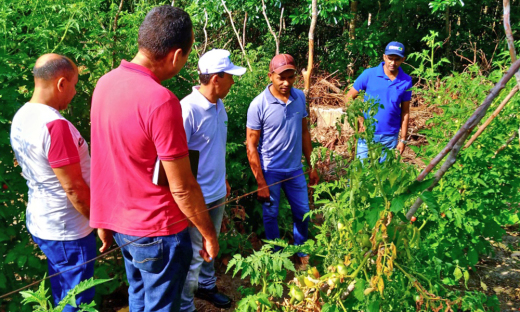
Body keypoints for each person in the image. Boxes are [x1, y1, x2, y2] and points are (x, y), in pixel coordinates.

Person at [90, 6, 218, 312]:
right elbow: (183, 186)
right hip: (158, 231)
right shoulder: (161, 100)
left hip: (124, 226)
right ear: (175, 56)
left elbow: (103, 161)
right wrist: (208, 233)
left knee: (139, 298)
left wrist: (103, 220)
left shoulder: (104, 84)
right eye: (186, 56)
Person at [10, 54, 109, 311]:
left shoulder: (22, 116)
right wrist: (98, 222)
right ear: (61, 83)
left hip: (43, 220)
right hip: (69, 229)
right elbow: (74, 189)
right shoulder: (55, 126)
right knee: (77, 299)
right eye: (74, 85)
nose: (75, 92)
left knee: (62, 291)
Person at [179, 49, 245, 312]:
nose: (233, 81)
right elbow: (173, 160)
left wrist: (224, 178)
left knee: (211, 245)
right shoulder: (188, 109)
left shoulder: (219, 104)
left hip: (217, 190)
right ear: (216, 78)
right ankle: (185, 305)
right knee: (194, 254)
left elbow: (214, 146)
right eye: (230, 76)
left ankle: (207, 286)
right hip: (196, 198)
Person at [246, 54, 319, 269]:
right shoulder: (258, 105)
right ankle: (277, 256)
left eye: (291, 77)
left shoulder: (299, 98)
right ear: (270, 76)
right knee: (270, 215)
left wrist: (311, 165)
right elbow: (251, 145)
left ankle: (301, 252)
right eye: (281, 78)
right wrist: (261, 181)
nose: (286, 83)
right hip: (271, 171)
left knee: (302, 213)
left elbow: (305, 132)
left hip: (295, 169)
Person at [346, 41, 413, 162]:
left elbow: (405, 112)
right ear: (384, 57)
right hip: (367, 135)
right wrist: (361, 119)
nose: (393, 63)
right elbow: (349, 98)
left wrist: (403, 139)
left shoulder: (406, 80)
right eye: (390, 58)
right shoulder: (369, 74)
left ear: (403, 59)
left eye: (397, 59)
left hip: (390, 137)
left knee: (383, 177)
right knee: (361, 174)